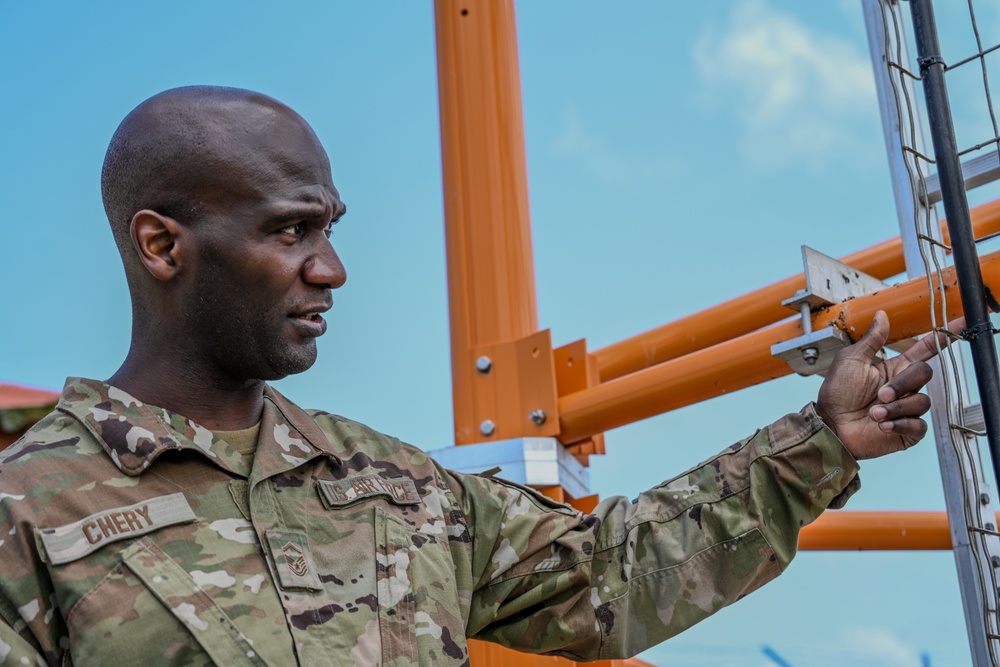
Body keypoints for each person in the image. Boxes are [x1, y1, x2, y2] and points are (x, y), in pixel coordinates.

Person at [0, 86, 947, 666]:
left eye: (331, 229)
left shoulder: (387, 484)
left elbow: (610, 576)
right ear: (163, 245)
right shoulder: (25, 512)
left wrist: (819, 446)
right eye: (291, 231)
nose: (331, 269)